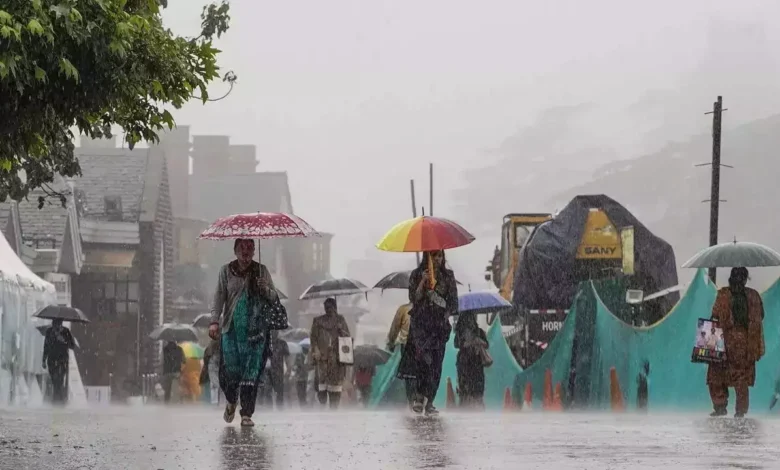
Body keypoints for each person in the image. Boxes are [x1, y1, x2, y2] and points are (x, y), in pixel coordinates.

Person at [209, 239, 278, 427]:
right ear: (235, 251)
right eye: (242, 249)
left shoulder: (261, 271)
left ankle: (246, 413)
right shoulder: (225, 271)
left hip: (256, 333)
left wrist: (265, 289)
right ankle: (231, 401)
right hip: (231, 330)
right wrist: (214, 321)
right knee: (230, 372)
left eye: (250, 249)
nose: (246, 253)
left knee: (251, 372)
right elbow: (218, 297)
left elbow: (274, 298)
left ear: (255, 251)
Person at [398, 250, 458, 415]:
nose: (437, 259)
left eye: (439, 256)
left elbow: (453, 303)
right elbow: (414, 298)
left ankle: (429, 400)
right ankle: (418, 396)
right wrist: (423, 282)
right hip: (421, 327)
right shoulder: (417, 274)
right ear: (427, 257)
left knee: (436, 366)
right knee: (423, 362)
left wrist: (442, 312)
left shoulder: (447, 276)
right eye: (433, 256)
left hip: (438, 328)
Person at [707, 267, 765, 418]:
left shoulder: (723, 294)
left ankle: (720, 406)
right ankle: (740, 411)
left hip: (723, 338)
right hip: (746, 342)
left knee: (717, 373)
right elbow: (761, 316)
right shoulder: (753, 296)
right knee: (741, 377)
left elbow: (714, 315)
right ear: (745, 279)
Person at [309, 298, 351, 409]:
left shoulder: (340, 320)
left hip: (337, 360)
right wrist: (316, 350)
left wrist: (341, 330)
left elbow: (347, 339)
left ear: (335, 307)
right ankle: (322, 397)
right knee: (322, 390)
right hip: (322, 359)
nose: (328, 309)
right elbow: (313, 339)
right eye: (326, 307)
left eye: (331, 307)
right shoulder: (318, 321)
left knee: (335, 389)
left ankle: (333, 411)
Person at [454, 312, 488, 408]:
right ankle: (467, 404)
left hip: (476, 362)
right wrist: (469, 342)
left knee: (477, 386)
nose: (470, 321)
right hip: (464, 363)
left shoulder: (479, 332)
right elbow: (457, 344)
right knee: (466, 386)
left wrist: (479, 341)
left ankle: (476, 404)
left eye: (472, 319)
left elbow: (486, 344)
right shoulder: (460, 334)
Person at [42, 319, 76, 404]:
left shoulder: (66, 331)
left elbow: (72, 345)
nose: (56, 328)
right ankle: (58, 399)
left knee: (60, 380)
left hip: (62, 359)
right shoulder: (49, 331)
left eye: (58, 326)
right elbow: (46, 346)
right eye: (54, 326)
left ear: (61, 325)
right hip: (51, 359)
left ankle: (58, 400)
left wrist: (63, 340)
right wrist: (43, 359)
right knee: (54, 380)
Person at [261, 331, 290, 410]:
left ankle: (280, 409)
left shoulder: (282, 343)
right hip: (267, 371)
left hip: (278, 371)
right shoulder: (264, 343)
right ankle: (268, 409)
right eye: (272, 331)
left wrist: (289, 369)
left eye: (275, 331)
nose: (274, 333)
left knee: (279, 391)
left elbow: (287, 357)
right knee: (267, 391)